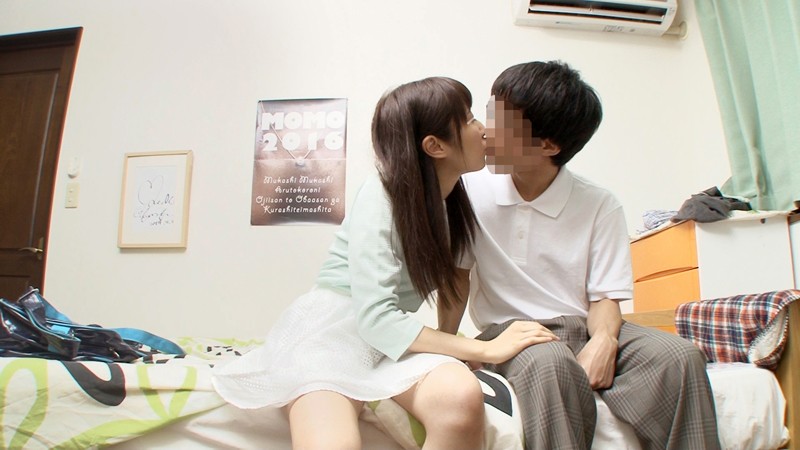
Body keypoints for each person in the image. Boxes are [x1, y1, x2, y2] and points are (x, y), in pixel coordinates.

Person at [212, 76, 558, 450]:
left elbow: (454, 284)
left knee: (460, 399)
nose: (484, 129)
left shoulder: (451, 202)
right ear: (435, 146)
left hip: (388, 342)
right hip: (332, 334)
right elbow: (375, 317)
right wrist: (485, 349)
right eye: (470, 119)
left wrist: (453, 346)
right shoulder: (382, 193)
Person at [442, 61, 721, 450]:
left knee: (680, 356)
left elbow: (605, 297)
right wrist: (446, 349)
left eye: (503, 121)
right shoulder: (469, 192)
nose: (487, 129)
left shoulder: (599, 204)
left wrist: (604, 340)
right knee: (551, 362)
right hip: (512, 334)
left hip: (582, 326)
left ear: (548, 145)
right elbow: (457, 279)